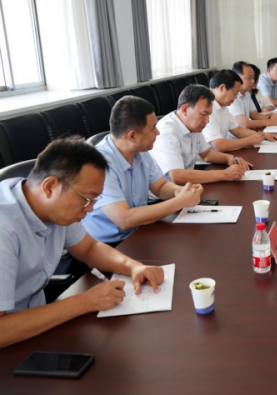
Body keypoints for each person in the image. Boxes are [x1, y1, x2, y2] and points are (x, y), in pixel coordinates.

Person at [0, 137, 165, 348]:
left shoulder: (54, 209)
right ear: (50, 186)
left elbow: (89, 248)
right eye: (87, 199)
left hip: (38, 326)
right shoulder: (4, 228)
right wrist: (85, 302)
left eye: (94, 201)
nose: (90, 209)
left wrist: (134, 267)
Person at [82, 96, 203, 245]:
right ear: (132, 136)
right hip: (108, 245)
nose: (158, 132)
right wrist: (179, 202)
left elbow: (161, 187)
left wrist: (183, 191)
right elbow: (124, 219)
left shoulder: (141, 151)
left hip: (138, 232)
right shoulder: (99, 164)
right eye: (153, 128)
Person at [150, 84, 251, 185]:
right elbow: (177, 176)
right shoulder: (167, 132)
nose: (207, 120)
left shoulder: (192, 125)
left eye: (209, 115)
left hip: (187, 186)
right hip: (169, 191)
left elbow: (206, 154)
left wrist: (229, 158)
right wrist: (225, 174)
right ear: (185, 109)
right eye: (203, 114)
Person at [204, 69, 277, 153]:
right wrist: (250, 140)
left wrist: (263, 135)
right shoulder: (207, 109)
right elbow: (219, 145)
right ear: (222, 88)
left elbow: (238, 130)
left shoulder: (223, 107)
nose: (236, 97)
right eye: (235, 93)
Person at [230, 61, 277, 129]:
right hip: (239, 134)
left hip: (246, 132)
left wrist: (273, 118)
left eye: (253, 78)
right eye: (249, 78)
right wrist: (270, 121)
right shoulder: (232, 96)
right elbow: (244, 124)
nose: (253, 81)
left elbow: (255, 115)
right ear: (237, 77)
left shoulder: (247, 93)